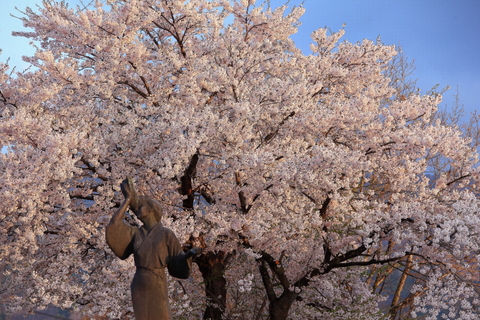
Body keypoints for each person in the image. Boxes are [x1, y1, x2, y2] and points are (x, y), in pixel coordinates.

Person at [106, 178, 197, 320]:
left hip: (156, 281)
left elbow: (176, 259)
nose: (137, 209)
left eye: (141, 206)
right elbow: (115, 224)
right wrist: (128, 200)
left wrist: (188, 255)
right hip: (139, 282)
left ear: (150, 210)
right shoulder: (135, 233)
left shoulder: (166, 234)